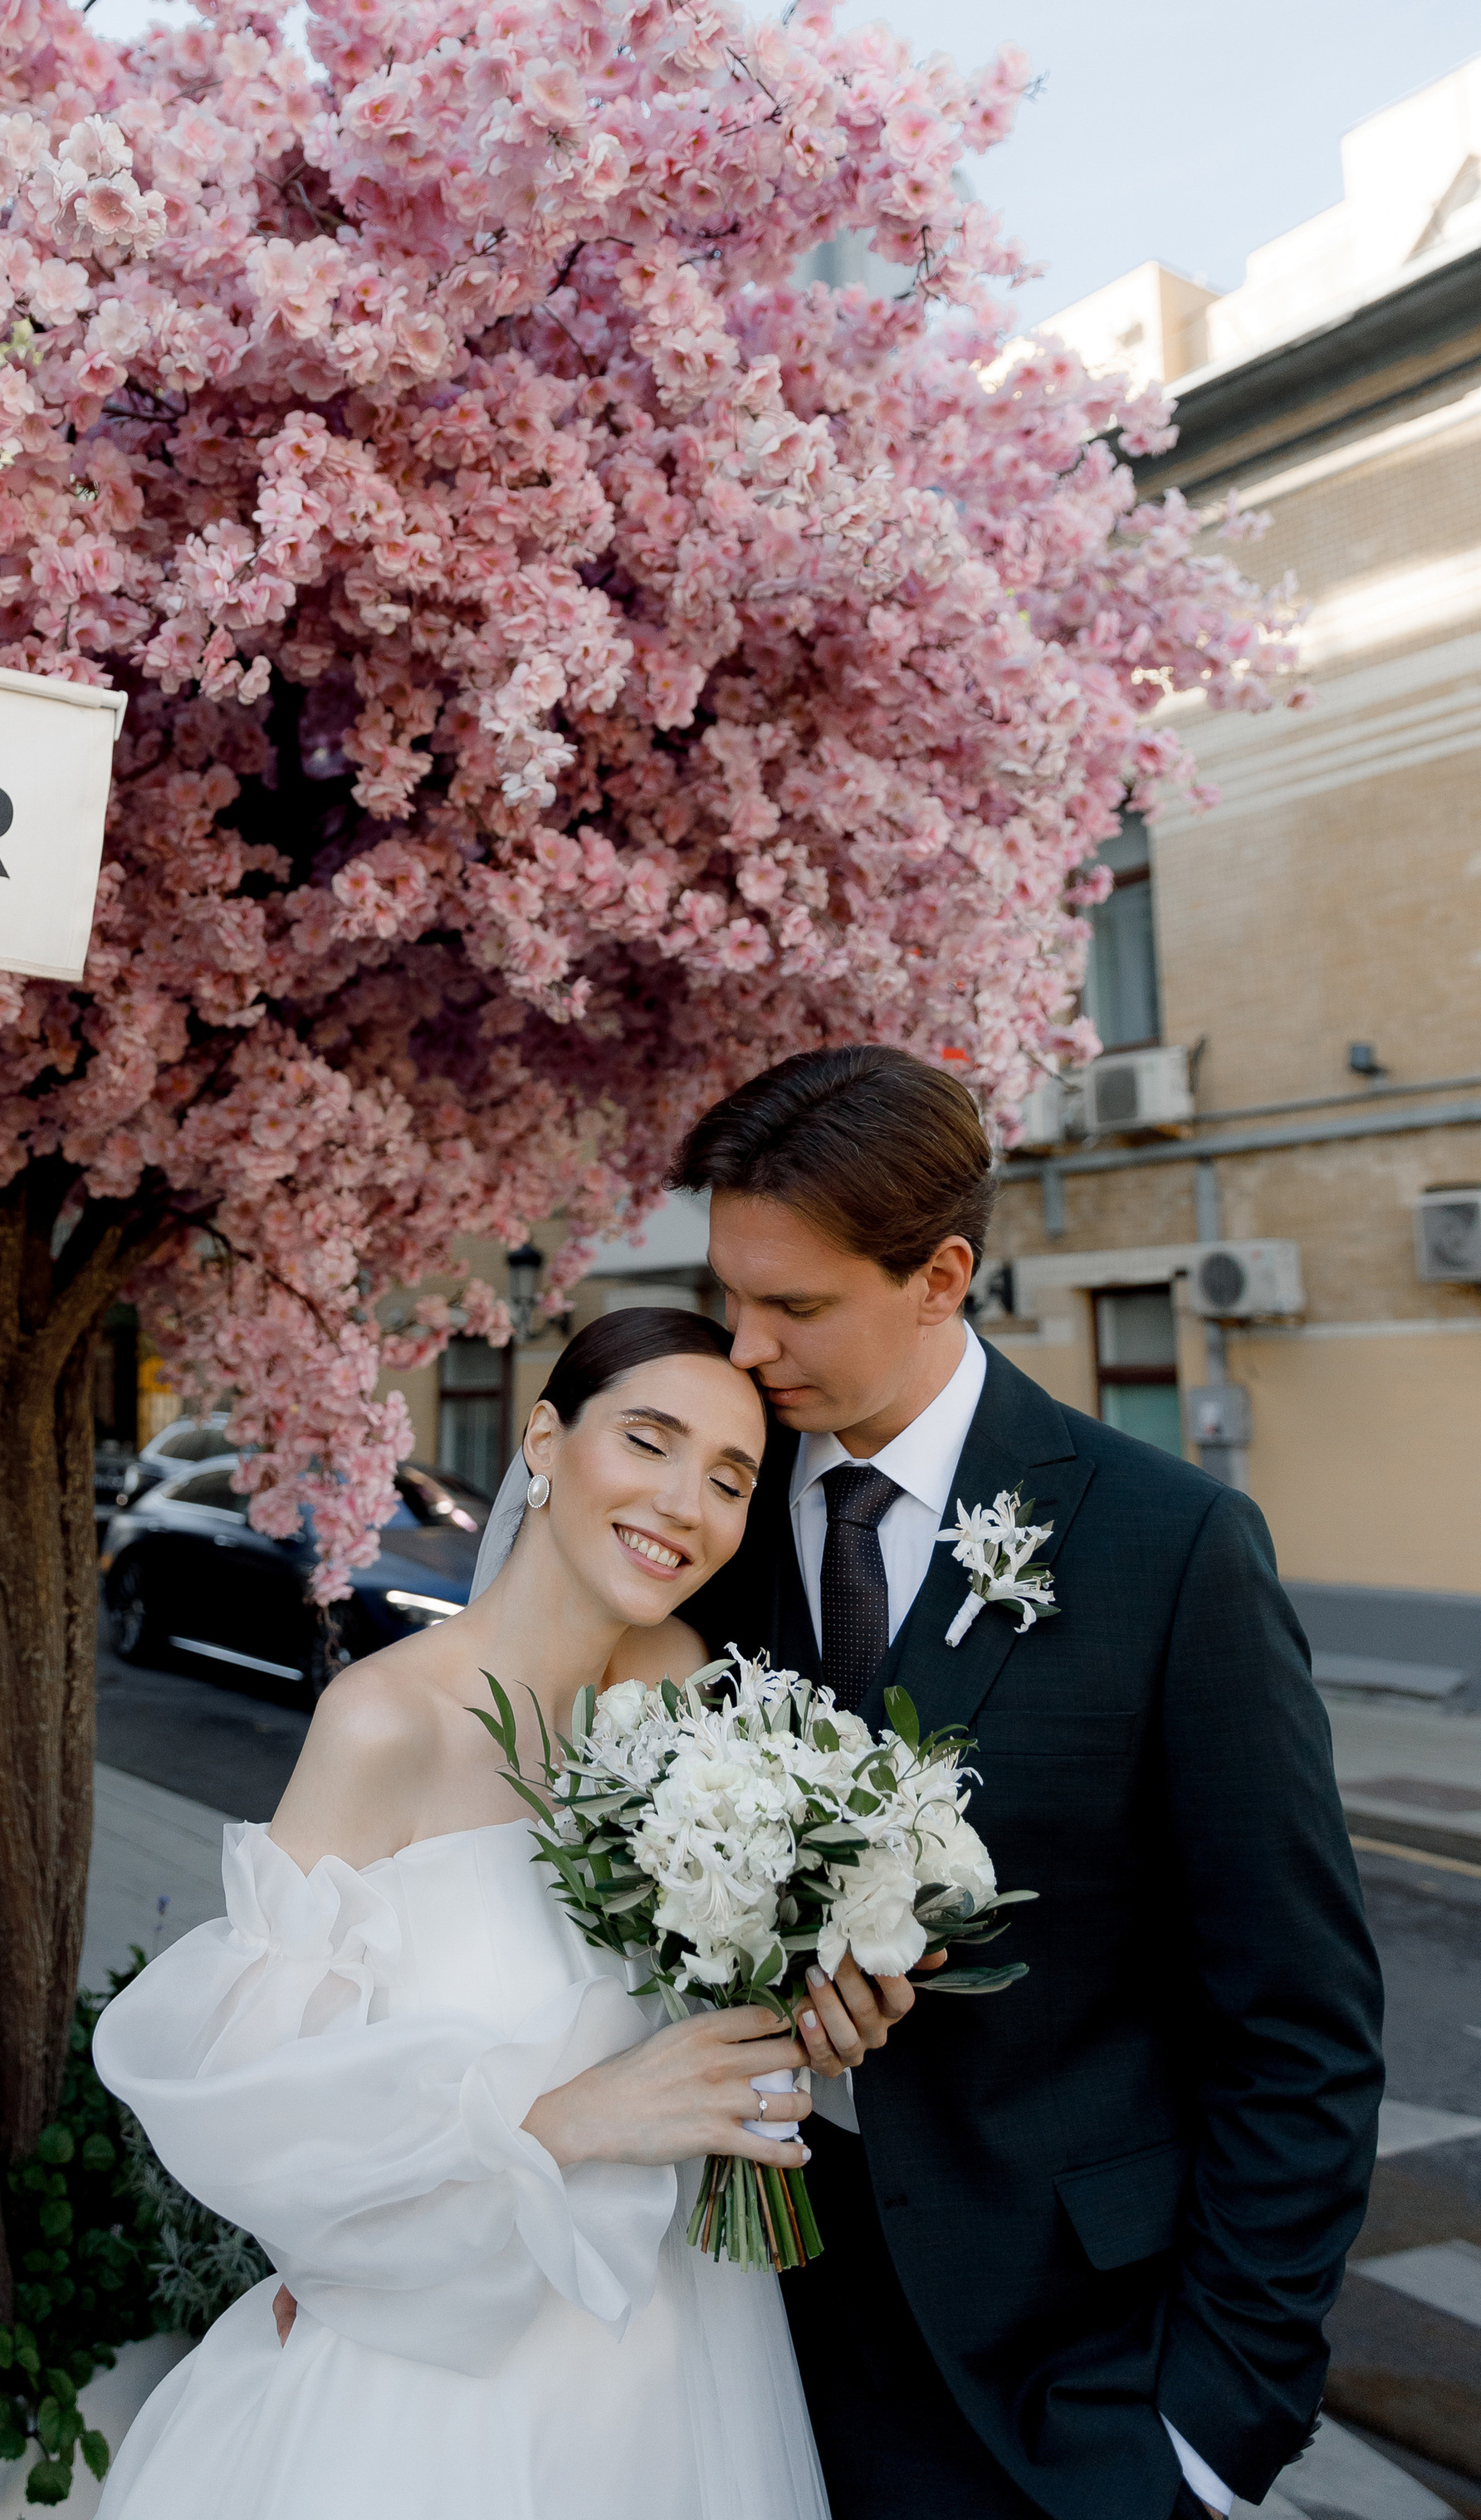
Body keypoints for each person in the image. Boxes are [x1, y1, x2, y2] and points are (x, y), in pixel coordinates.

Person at [656, 1043, 1384, 2520]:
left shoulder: (1170, 1547)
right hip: (735, 2340)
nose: (742, 1348)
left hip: (1072, 2378)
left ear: (940, 1275)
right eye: (731, 1291)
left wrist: (1213, 2433)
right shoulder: (698, 1537)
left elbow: (1299, 2023)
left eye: (795, 1305)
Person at [90, 1306, 909, 2520]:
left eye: (730, 1477)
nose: (686, 1502)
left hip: (678, 2359)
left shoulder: (697, 1692)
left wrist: (824, 2010)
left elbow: (726, 2005)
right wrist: (565, 2118)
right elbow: (259, 2106)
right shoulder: (384, 1723)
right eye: (649, 1439)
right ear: (543, 1437)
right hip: (442, 2385)